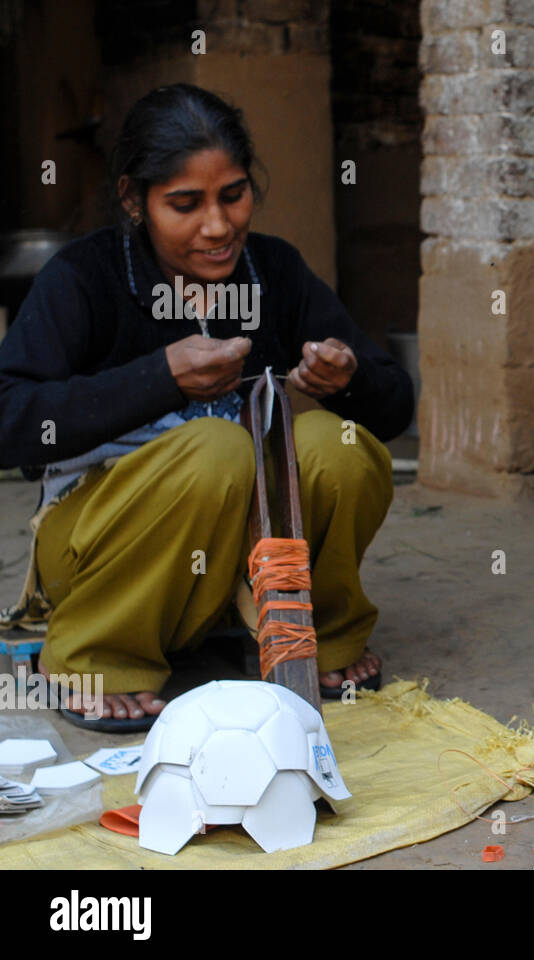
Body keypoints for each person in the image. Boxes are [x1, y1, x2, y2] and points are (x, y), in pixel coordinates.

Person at [0, 83, 414, 731]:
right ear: (134, 200)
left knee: (339, 444)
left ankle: (314, 636)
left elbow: (392, 411)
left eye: (234, 195)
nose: (218, 227)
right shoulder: (86, 277)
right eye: (185, 205)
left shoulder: (272, 272)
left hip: (240, 553)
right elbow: (10, 422)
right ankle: (95, 654)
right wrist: (160, 377)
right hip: (99, 548)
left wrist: (348, 378)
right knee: (216, 448)